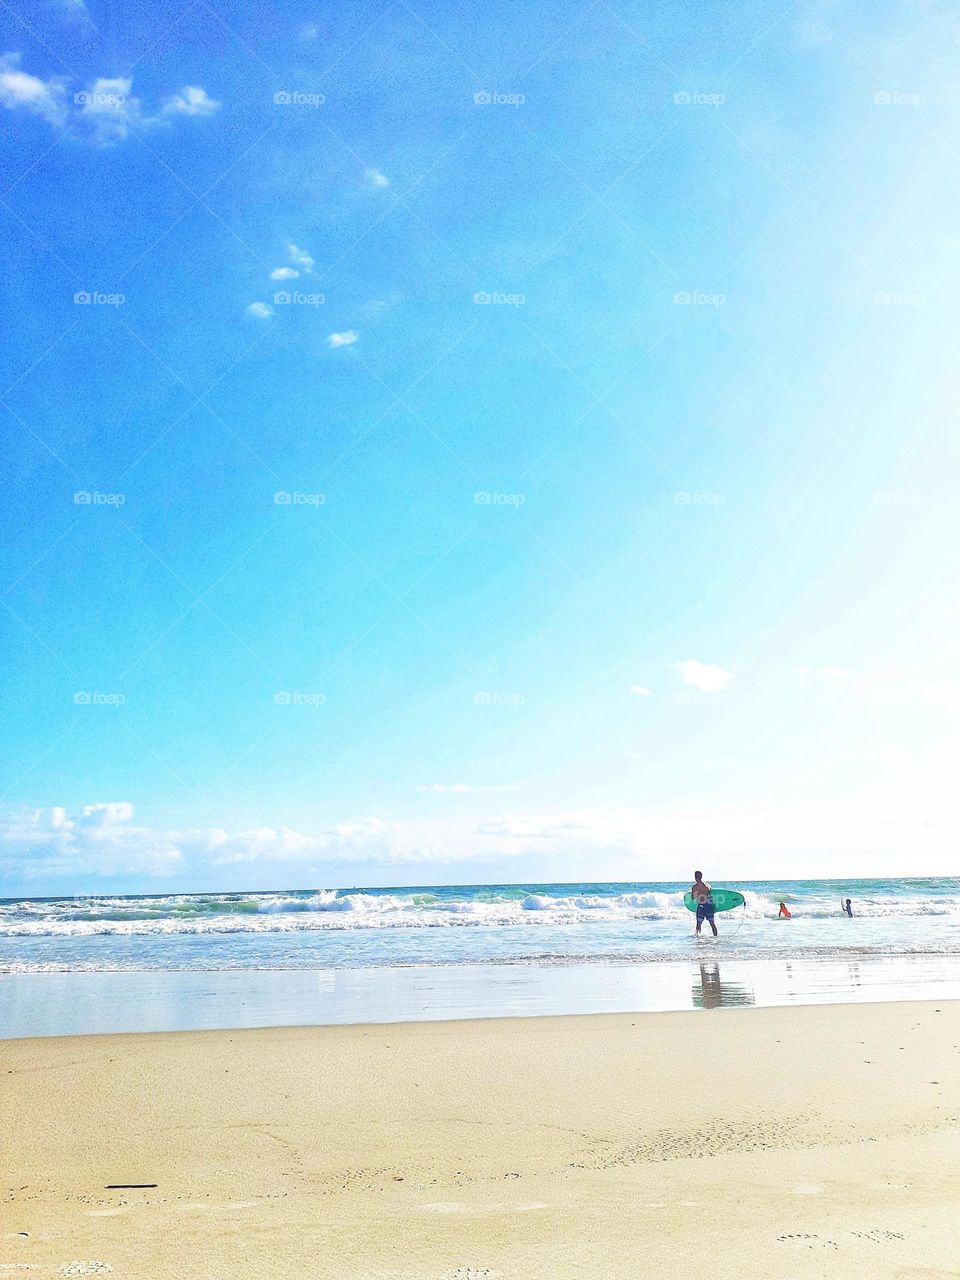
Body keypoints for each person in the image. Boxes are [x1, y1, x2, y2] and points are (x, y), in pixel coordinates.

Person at [690, 870, 718, 937]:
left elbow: (692, 898)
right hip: (709, 906)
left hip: (701, 906)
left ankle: (698, 937)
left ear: (695, 877)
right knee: (712, 923)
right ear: (701, 877)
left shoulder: (694, 887)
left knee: (698, 924)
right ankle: (716, 938)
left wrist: (696, 893)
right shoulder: (707, 885)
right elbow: (712, 894)